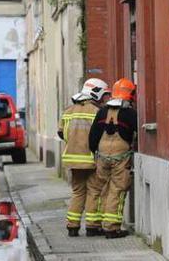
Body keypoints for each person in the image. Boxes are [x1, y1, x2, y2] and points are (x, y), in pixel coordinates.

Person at [88, 77, 138, 239]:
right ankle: (111, 228)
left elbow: (93, 136)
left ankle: (92, 225)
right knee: (117, 190)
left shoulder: (102, 111)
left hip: (101, 156)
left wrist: (95, 152)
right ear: (129, 94)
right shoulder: (130, 113)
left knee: (98, 189)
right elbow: (137, 133)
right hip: (121, 158)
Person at [58, 78, 107, 237]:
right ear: (96, 93)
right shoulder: (97, 112)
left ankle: (72, 226)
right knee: (94, 191)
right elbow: (101, 136)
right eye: (103, 94)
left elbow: (61, 133)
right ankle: (92, 227)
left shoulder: (69, 110)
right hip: (91, 159)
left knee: (78, 192)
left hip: (72, 159)